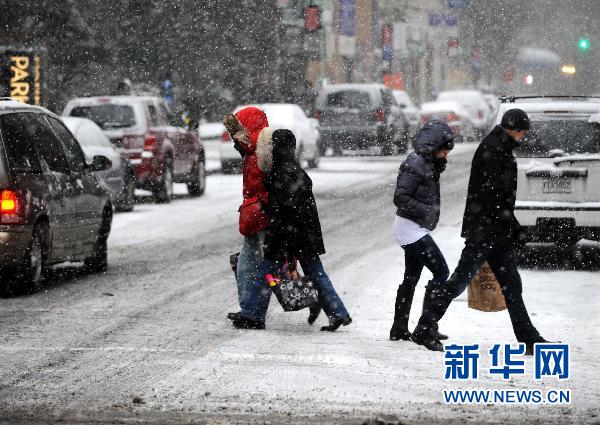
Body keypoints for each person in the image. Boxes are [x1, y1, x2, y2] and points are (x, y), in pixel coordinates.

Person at [411, 109, 550, 353]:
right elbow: (490, 196)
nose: (523, 136)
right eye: (522, 131)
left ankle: (528, 337)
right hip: (485, 233)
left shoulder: (501, 147)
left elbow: (500, 198)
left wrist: (512, 227)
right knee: (457, 283)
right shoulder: (493, 150)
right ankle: (424, 327)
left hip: (496, 232)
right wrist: (508, 225)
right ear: (512, 128)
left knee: (512, 285)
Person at [232, 129, 352, 331]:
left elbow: (283, 210)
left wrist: (274, 235)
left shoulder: (280, 173)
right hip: (304, 235)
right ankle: (337, 312)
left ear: (276, 148)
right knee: (315, 272)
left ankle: (253, 315)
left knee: (266, 273)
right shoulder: (296, 170)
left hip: (286, 235)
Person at [390, 120, 455, 342]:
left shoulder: (428, 163)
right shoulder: (416, 163)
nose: (445, 155)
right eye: (444, 151)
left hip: (413, 227)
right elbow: (400, 197)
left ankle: (399, 328)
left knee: (411, 277)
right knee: (441, 271)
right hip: (409, 228)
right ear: (433, 146)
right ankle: (425, 328)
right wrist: (425, 211)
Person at [226, 107, 270, 322]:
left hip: (261, 215)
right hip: (257, 215)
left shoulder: (259, 153)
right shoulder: (254, 150)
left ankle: (253, 313)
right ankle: (250, 310)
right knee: (252, 265)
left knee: (254, 266)